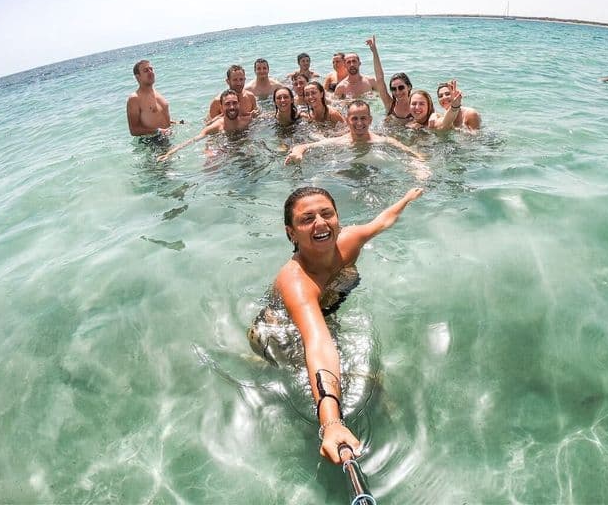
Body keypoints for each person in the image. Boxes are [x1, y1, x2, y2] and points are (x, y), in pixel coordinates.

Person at [268, 185, 424, 463]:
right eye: (307, 219)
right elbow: (318, 343)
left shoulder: (350, 240)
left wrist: (407, 199)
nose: (320, 223)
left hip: (324, 310)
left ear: (338, 218)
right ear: (290, 233)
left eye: (327, 214)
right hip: (281, 331)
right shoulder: (296, 282)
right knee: (355, 380)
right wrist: (331, 423)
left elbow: (383, 220)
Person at [285, 100, 425, 165]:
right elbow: (304, 146)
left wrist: (420, 168)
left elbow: (412, 154)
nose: (359, 123)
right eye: (354, 119)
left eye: (363, 118)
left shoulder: (383, 140)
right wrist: (298, 152)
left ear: (370, 120)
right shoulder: (339, 141)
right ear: (347, 120)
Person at [158, 90, 251, 161]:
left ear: (239, 104)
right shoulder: (216, 127)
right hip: (224, 149)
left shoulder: (247, 120)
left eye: (234, 103)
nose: (232, 107)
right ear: (222, 107)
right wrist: (169, 154)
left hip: (242, 145)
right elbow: (192, 140)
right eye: (227, 104)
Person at [366, 35, 412, 122]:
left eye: (401, 87)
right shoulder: (390, 104)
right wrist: (374, 51)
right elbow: (379, 78)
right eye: (393, 89)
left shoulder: (416, 107)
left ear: (409, 87)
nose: (398, 92)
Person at [127, 60, 174, 143]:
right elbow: (134, 130)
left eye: (151, 69)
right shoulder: (134, 98)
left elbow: (156, 118)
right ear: (138, 77)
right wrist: (158, 131)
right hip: (153, 142)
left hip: (168, 136)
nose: (150, 72)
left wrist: (176, 123)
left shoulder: (157, 94)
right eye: (146, 70)